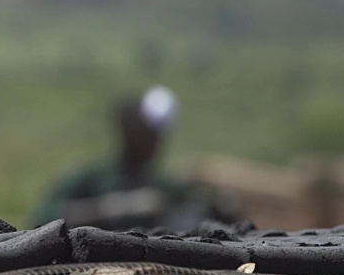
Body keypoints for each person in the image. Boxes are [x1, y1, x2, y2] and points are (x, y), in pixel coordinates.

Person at [34, 86, 239, 231]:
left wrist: (217, 206)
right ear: (127, 134)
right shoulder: (91, 179)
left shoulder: (162, 185)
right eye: (147, 135)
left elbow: (197, 207)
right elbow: (44, 217)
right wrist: (114, 209)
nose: (155, 143)